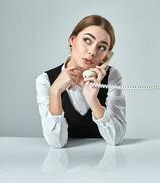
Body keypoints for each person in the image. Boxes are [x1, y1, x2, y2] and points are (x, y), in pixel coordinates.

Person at [36, 15, 126, 148]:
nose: (92, 52)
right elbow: (56, 143)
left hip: (104, 161)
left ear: (106, 56)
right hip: (62, 163)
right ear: (72, 40)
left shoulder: (112, 77)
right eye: (87, 40)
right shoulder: (45, 80)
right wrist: (55, 91)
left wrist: (93, 100)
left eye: (101, 47)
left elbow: (116, 139)